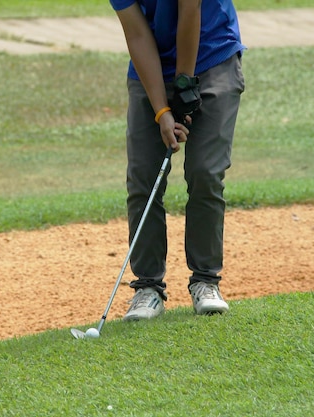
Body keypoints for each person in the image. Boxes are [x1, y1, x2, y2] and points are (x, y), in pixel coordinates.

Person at [109, 0, 245, 320]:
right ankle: (147, 288)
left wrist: (184, 86)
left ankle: (205, 281)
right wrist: (161, 110)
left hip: (212, 55)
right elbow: (138, 34)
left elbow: (190, 10)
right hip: (152, 65)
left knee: (205, 172)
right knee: (144, 176)